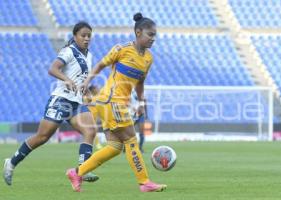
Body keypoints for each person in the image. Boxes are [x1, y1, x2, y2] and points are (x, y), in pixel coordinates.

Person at [66, 13, 167, 192]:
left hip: (116, 104)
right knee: (131, 139)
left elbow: (140, 83)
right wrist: (86, 82)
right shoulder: (122, 49)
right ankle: (144, 182)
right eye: (150, 34)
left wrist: (142, 104)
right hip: (110, 101)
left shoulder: (148, 59)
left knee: (114, 146)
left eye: (154, 35)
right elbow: (99, 66)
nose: (153, 38)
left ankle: (77, 172)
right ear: (138, 32)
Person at [3, 21, 99, 185]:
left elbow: (81, 78)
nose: (86, 38)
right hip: (61, 100)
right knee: (42, 137)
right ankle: (11, 163)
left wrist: (87, 90)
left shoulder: (88, 55)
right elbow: (53, 69)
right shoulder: (69, 51)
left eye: (89, 36)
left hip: (75, 103)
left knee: (90, 130)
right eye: (83, 35)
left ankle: (83, 169)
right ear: (75, 36)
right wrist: (66, 79)